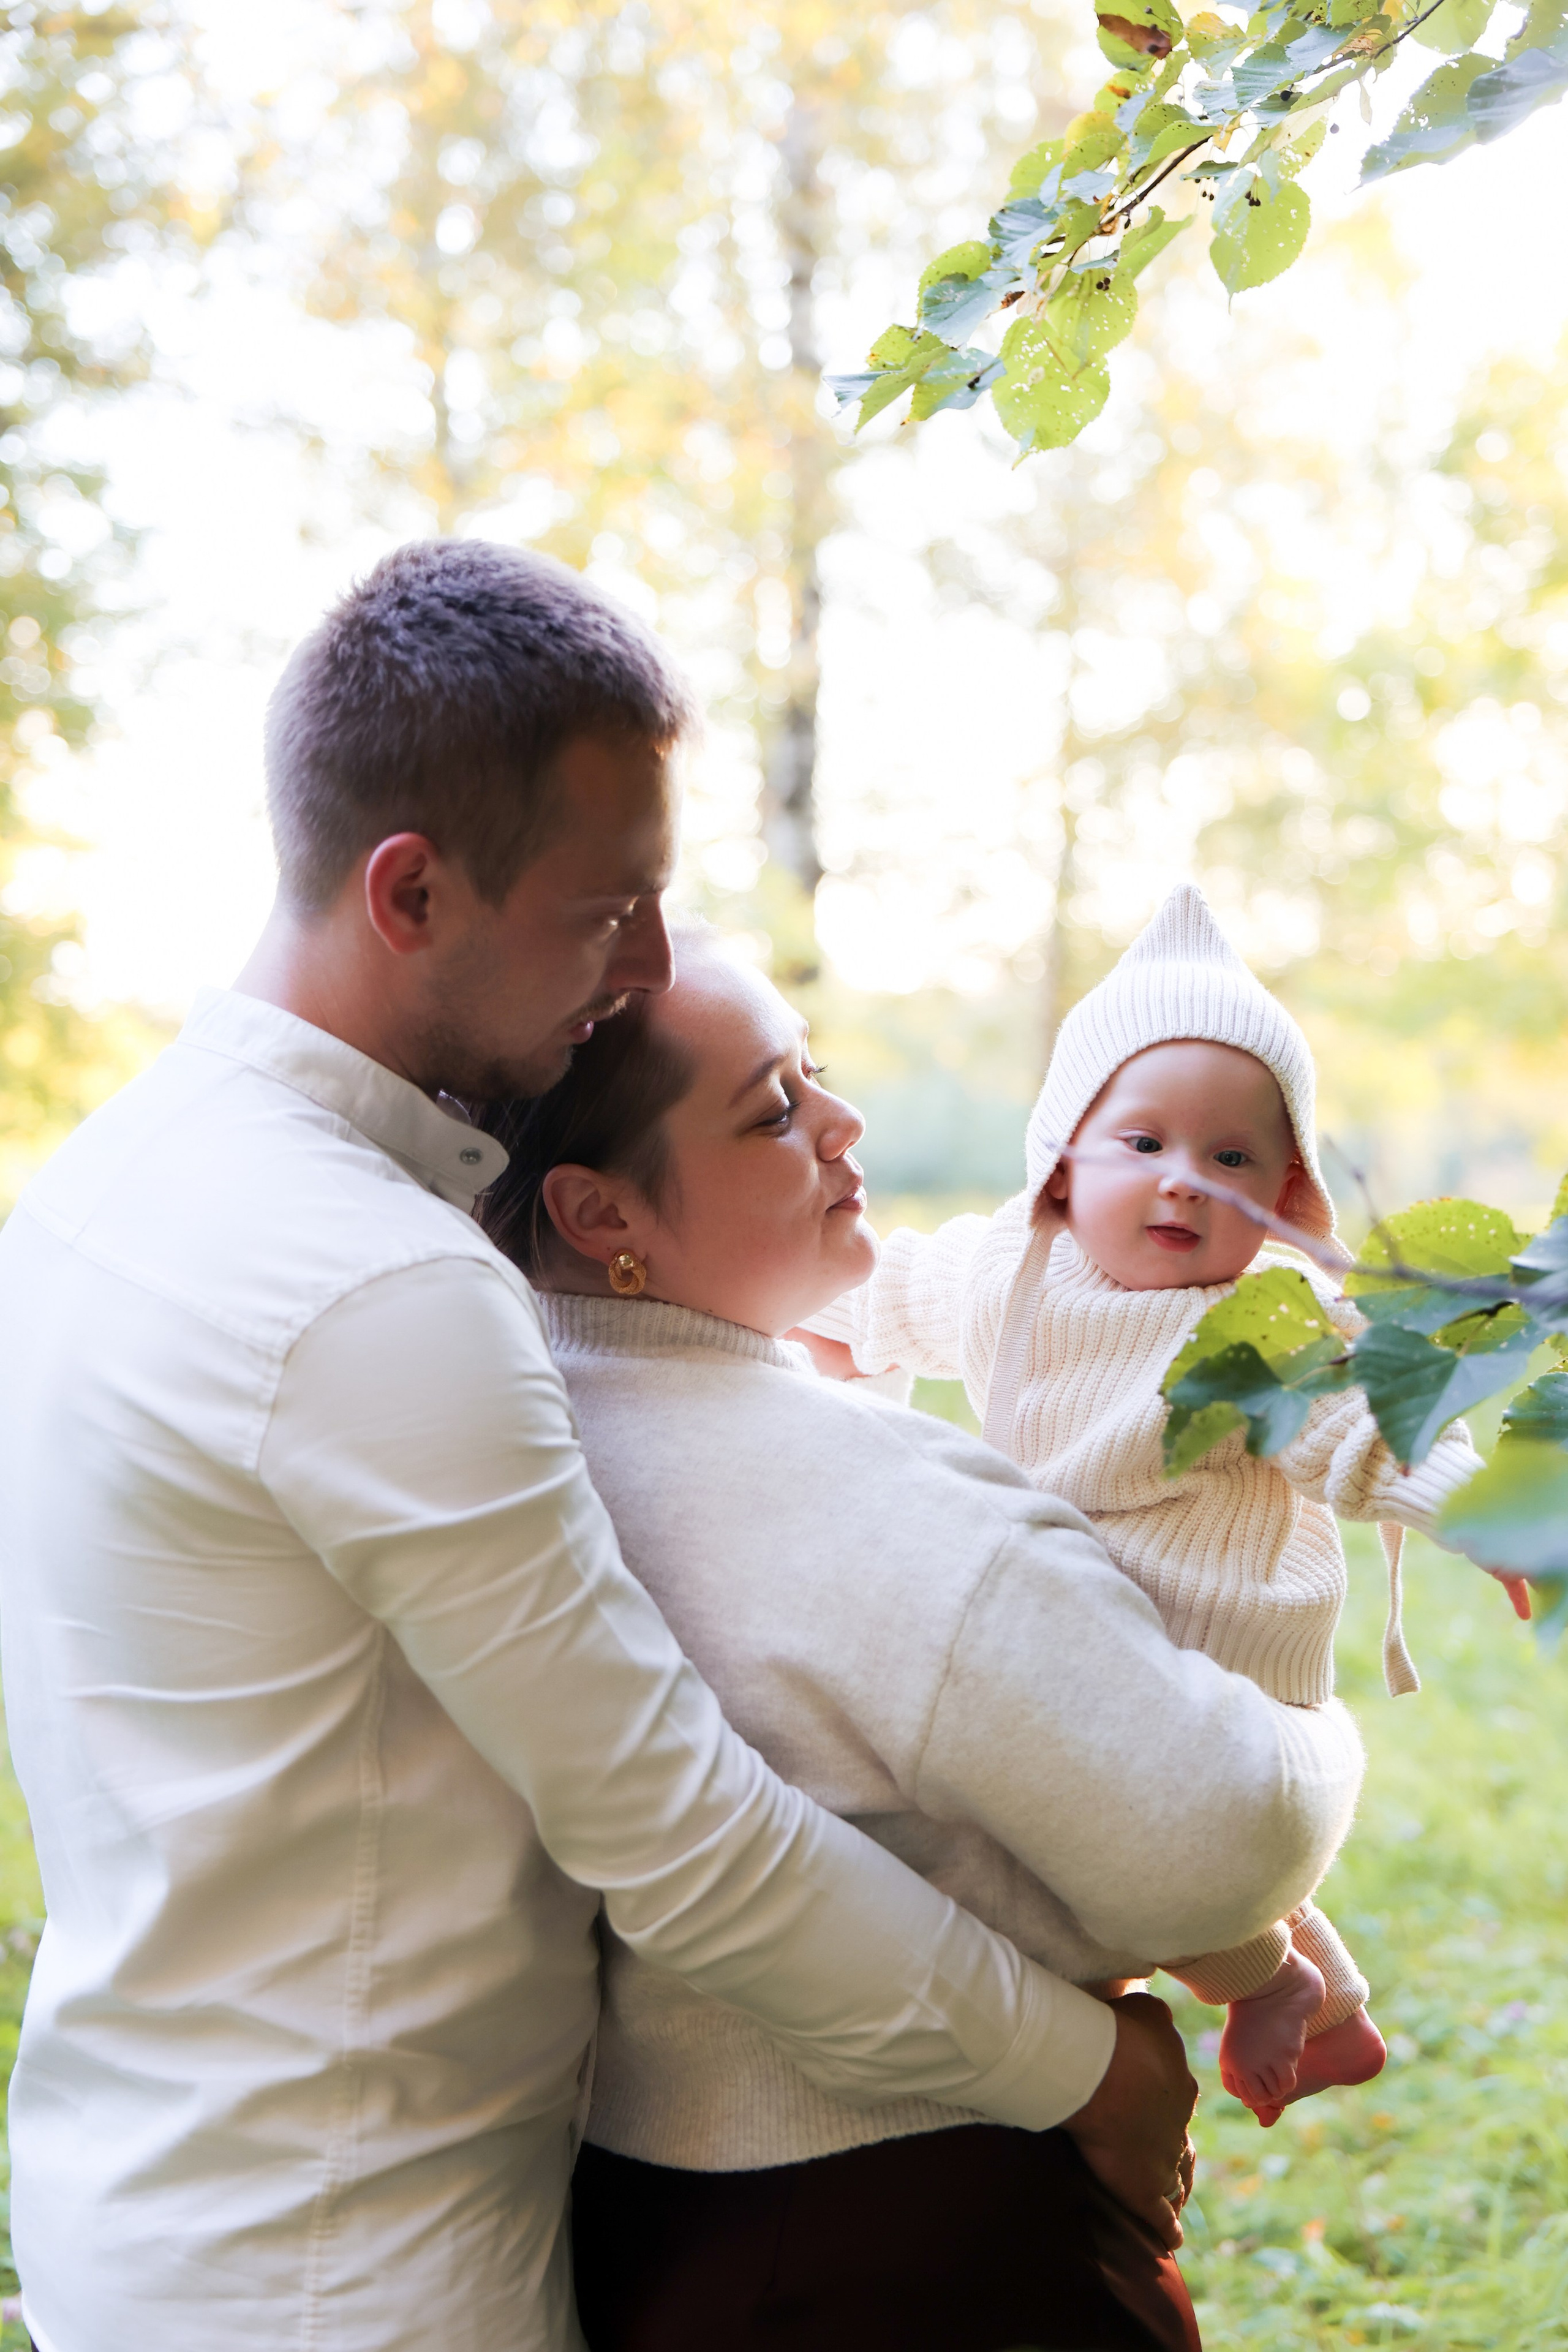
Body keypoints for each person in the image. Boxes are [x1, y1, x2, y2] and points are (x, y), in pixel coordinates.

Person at [0, 542, 1199, 2352]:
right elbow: (688, 1840)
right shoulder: (372, 1286)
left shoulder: (95, 1190)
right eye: (603, 911)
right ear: (410, 892)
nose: (643, 964)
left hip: (132, 2213)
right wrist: (1088, 2065)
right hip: (360, 2280)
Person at [474, 928, 1368, 2351]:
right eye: (773, 1109)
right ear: (598, 1213)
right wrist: (1313, 1726)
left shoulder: (519, 1425)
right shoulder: (877, 1517)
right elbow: (1218, 1837)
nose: (845, 1123)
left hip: (643, 2213)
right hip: (920, 2224)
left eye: (816, 1076)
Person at [805, 882, 1501, 2127]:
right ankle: (1320, 1999)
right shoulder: (1002, 1266)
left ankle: (1273, 1985)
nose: (1183, 1185)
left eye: (1229, 1159)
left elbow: (1364, 1426)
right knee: (1069, 1784)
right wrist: (773, 1311)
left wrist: (1488, 1516)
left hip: (1225, 1651)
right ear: (1063, 1160)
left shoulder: (1260, 1317)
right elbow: (886, 1294)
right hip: (1095, 1632)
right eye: (1143, 1144)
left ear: (1282, 1193)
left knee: (1117, 1854)